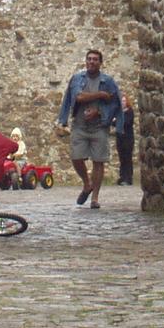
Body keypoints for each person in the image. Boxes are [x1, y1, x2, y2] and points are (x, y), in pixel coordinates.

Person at [57, 49, 123, 209]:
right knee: (76, 157)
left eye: (95, 59)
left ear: (101, 63)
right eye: (89, 59)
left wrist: (99, 112)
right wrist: (100, 94)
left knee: (98, 161)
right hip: (80, 125)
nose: (91, 62)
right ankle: (87, 184)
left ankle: (95, 198)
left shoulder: (108, 81)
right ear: (85, 61)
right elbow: (76, 97)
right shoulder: (78, 79)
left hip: (100, 126)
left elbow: (115, 104)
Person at [114, 94, 135, 185]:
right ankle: (122, 177)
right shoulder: (119, 112)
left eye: (124, 101)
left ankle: (128, 178)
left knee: (127, 158)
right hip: (120, 138)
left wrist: (117, 120)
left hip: (128, 138)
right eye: (121, 101)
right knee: (122, 158)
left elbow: (126, 123)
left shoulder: (130, 112)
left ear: (127, 102)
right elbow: (113, 123)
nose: (122, 103)